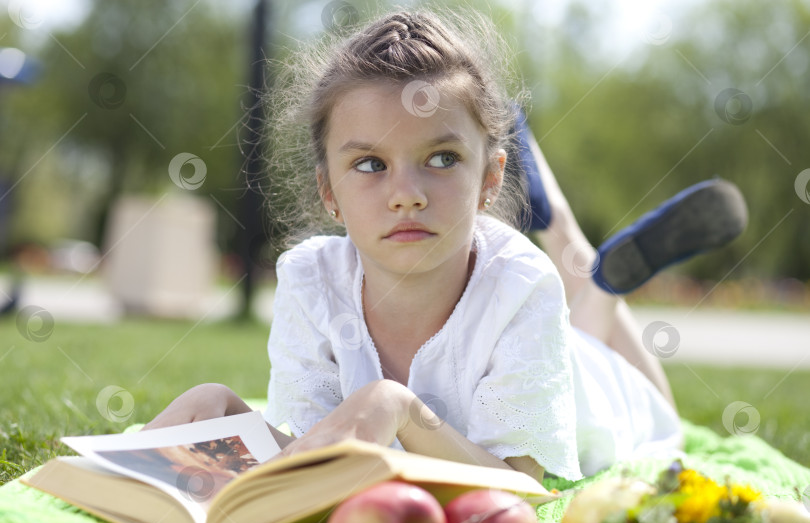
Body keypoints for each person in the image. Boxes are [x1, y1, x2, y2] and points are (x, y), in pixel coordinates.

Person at [145, 9, 747, 481]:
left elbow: (519, 483)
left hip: (592, 388)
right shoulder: (309, 279)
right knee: (579, 307)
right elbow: (313, 455)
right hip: (538, 329)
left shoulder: (521, 285)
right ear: (328, 191)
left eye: (441, 158)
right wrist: (227, 415)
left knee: (649, 399)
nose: (406, 195)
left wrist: (403, 408)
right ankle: (577, 249)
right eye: (371, 165)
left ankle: (590, 263)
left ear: (489, 179)